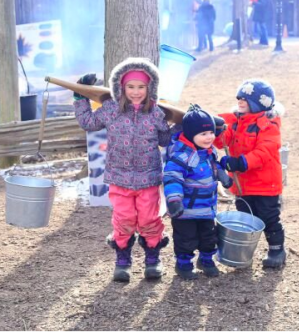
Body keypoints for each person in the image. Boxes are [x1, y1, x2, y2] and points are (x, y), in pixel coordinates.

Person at [73, 58, 176, 282]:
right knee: (124, 219)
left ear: (150, 88)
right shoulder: (111, 109)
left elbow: (165, 140)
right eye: (131, 87)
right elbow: (89, 122)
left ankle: (152, 259)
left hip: (148, 178)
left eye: (141, 87)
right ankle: (122, 260)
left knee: (149, 219)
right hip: (119, 178)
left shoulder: (156, 112)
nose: (136, 92)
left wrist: (177, 126)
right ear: (121, 86)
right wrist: (80, 98)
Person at [214, 79, 287, 268]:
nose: (239, 100)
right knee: (245, 218)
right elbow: (223, 141)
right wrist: (216, 129)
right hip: (243, 184)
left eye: (245, 98)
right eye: (239, 96)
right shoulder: (236, 121)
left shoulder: (268, 125)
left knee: (269, 217)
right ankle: (243, 253)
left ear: (258, 103)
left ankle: (277, 250)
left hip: (265, 184)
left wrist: (240, 162)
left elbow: (264, 152)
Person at [163, 104, 233, 279]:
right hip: (186, 210)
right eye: (203, 134)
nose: (209, 137)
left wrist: (222, 175)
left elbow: (214, 166)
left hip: (207, 208)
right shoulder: (182, 156)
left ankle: (206, 260)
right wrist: (174, 199)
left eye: (210, 132)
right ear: (190, 134)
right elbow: (172, 177)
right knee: (186, 239)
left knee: (209, 237)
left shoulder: (209, 152)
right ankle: (183, 264)